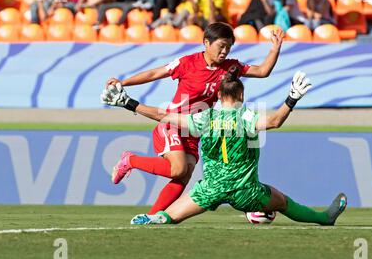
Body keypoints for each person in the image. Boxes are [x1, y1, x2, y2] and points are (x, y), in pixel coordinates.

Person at [101, 67, 348, 226]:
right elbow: (275, 121)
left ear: (218, 97)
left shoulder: (204, 118)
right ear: (241, 96)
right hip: (246, 191)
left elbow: (161, 115)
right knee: (283, 202)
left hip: (210, 189)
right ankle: (324, 218)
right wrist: (292, 98)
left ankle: (154, 218)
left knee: (170, 216)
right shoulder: (247, 117)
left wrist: (128, 103)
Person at [105, 22, 285, 215]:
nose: (224, 51)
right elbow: (155, 73)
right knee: (178, 169)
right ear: (206, 43)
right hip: (172, 124)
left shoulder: (230, 67)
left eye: (228, 47)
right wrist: (123, 82)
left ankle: (151, 218)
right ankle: (130, 160)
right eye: (221, 46)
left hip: (194, 130)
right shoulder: (187, 63)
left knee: (184, 176)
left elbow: (262, 71)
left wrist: (275, 49)